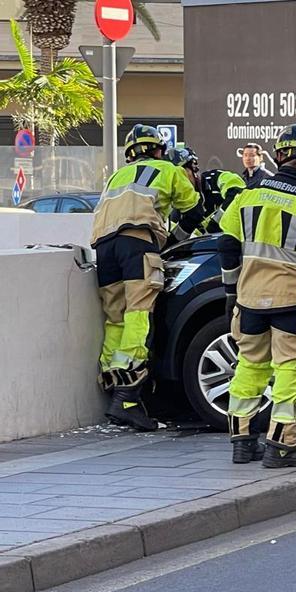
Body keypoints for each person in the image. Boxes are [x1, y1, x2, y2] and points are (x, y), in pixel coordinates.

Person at [218, 122, 296, 468]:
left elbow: (226, 244)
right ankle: (282, 447)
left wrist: (231, 291)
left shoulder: (248, 193)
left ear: (279, 156)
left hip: (249, 300)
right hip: (291, 303)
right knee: (288, 372)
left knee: (249, 367)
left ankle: (242, 443)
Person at [91, 124, 206, 430]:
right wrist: (173, 241)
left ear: (130, 154)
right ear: (159, 150)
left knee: (115, 319)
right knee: (139, 315)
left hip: (104, 249)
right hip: (137, 243)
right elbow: (194, 210)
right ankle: (127, 399)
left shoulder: (117, 176)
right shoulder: (168, 170)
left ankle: (115, 391)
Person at [197, 167, 246, 234]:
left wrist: (214, 222)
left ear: (193, 166)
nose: (184, 185)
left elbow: (237, 192)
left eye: (184, 176)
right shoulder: (183, 202)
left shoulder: (217, 177)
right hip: (213, 239)